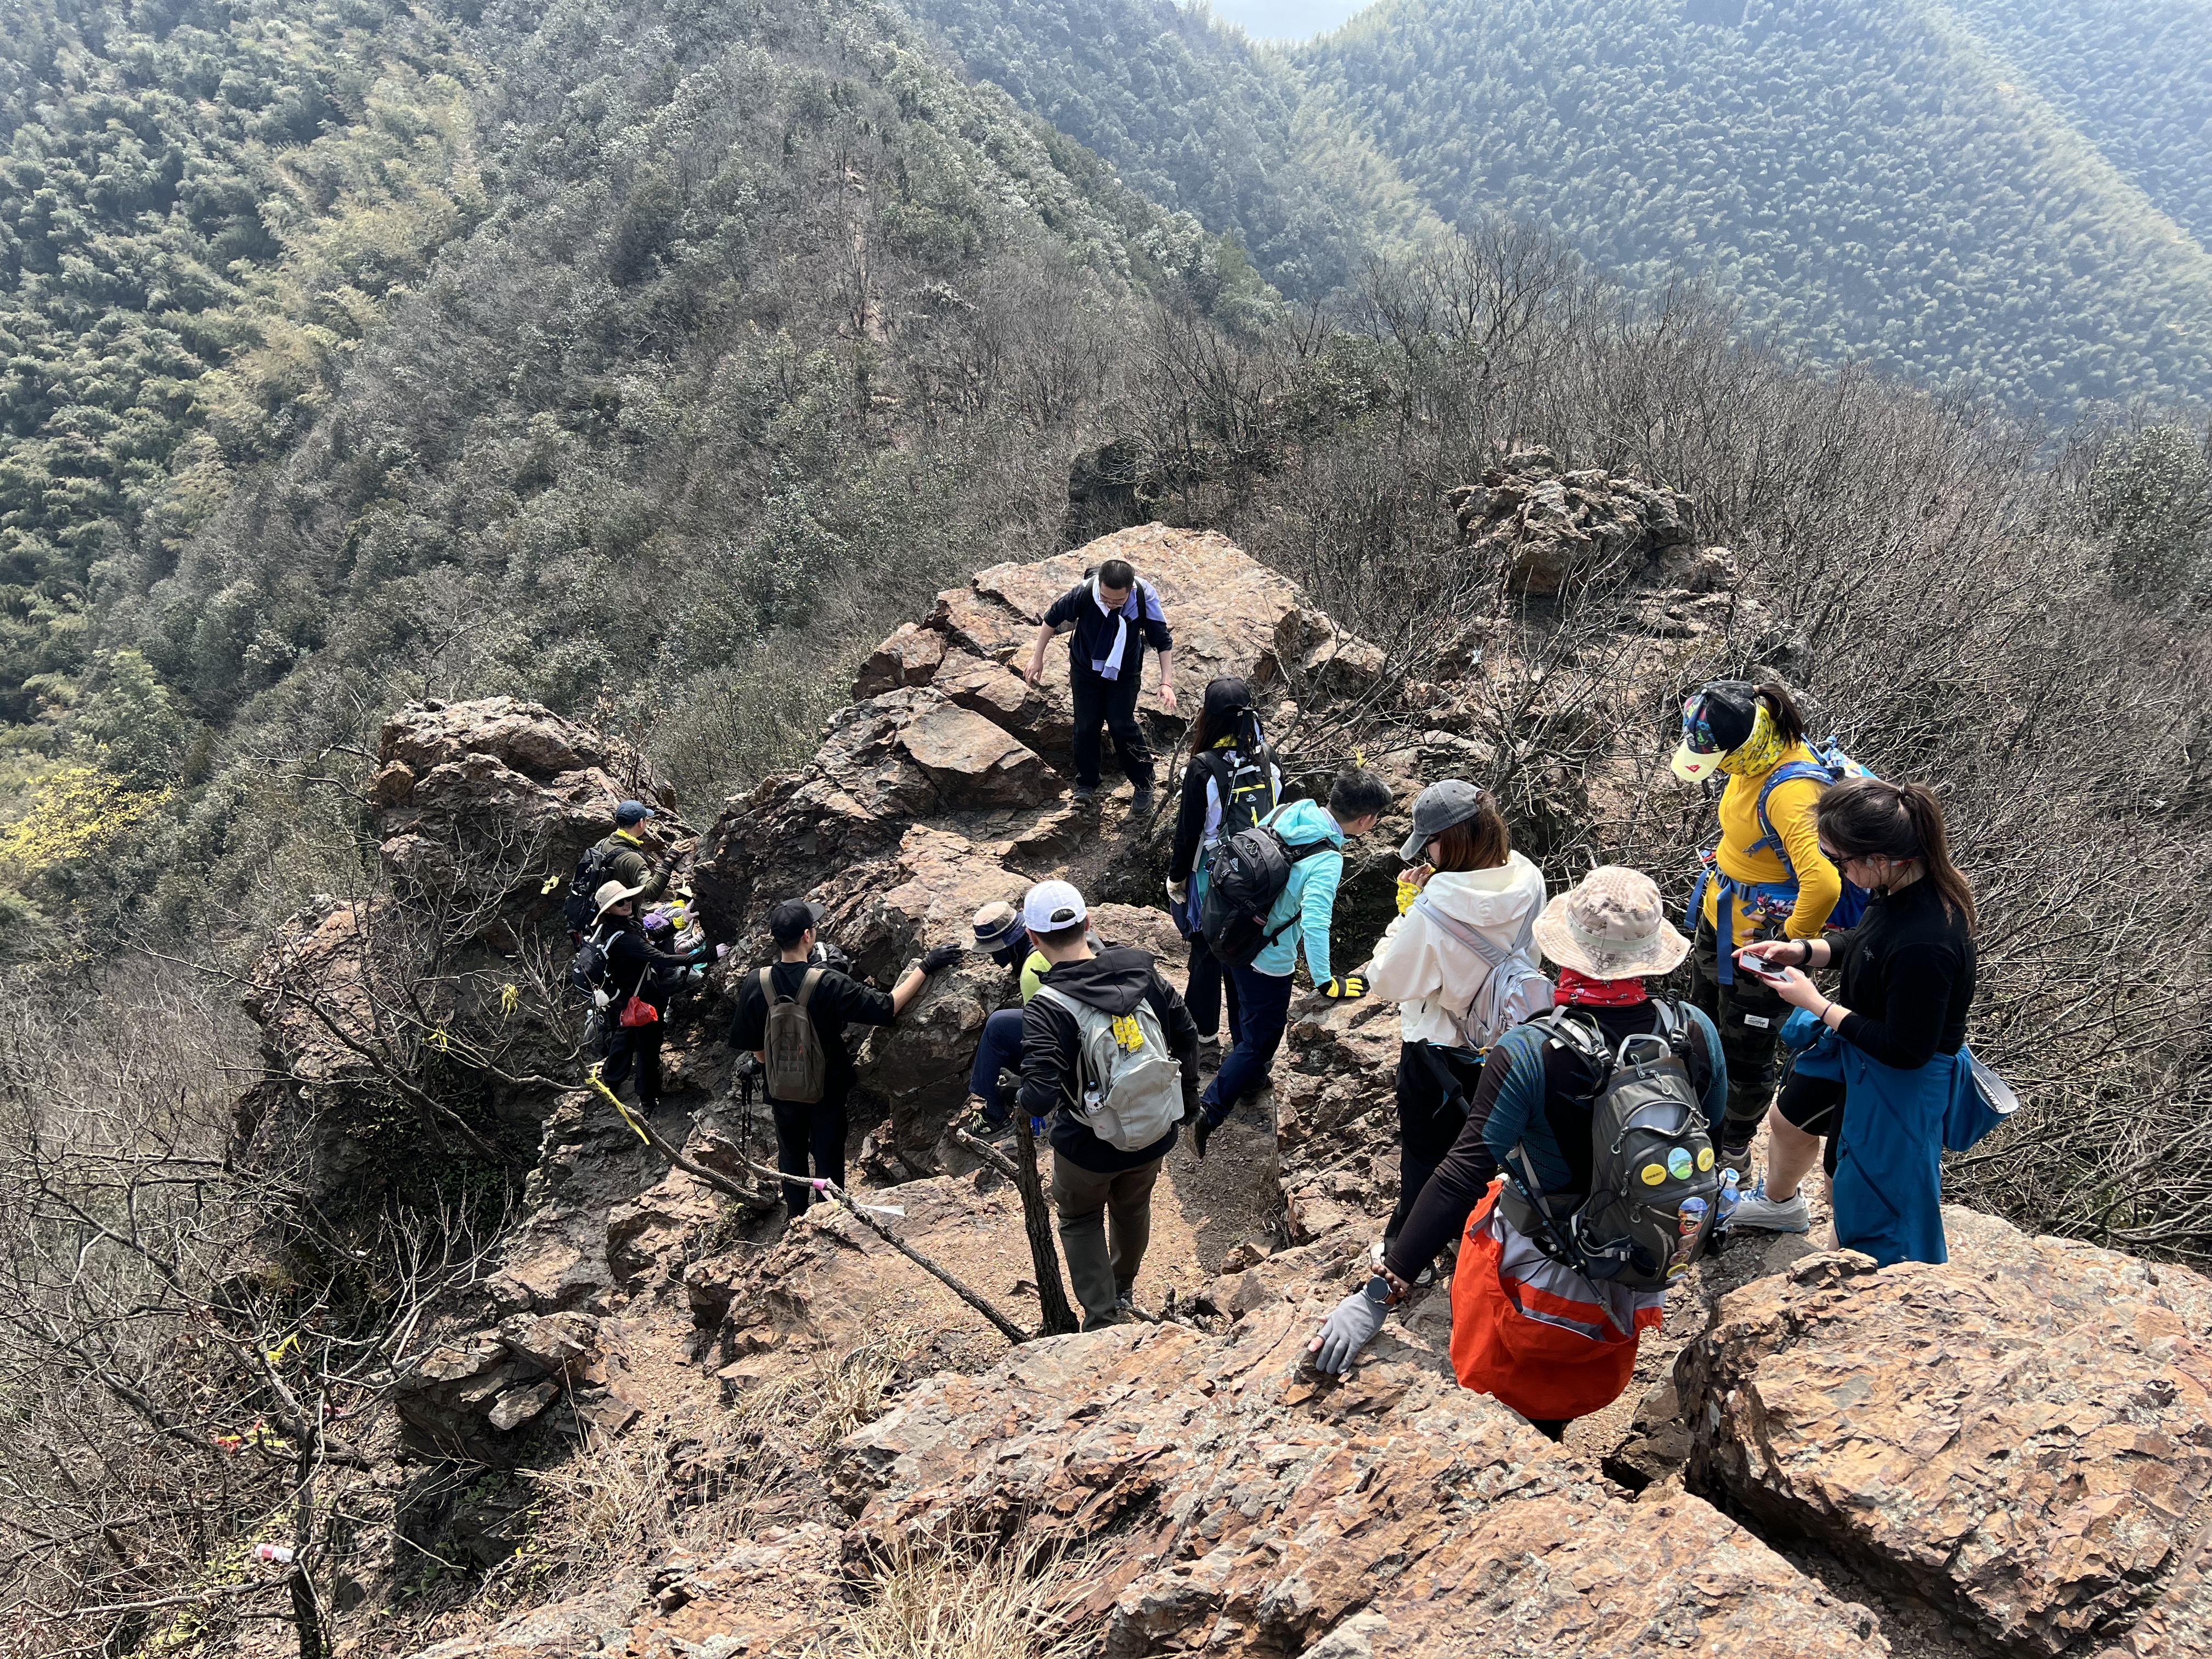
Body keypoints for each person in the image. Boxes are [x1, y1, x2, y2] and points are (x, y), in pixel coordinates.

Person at [1306, 867, 1726, 1442]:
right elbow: (1715, 1138)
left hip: (1539, 1282)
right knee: (1551, 1410)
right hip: (1637, 1266)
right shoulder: (1694, 1030)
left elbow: (1461, 1174)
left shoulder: (1532, 1048)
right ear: (1650, 956)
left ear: (1568, 952)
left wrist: (1379, 1295)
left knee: (1510, 1391)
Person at [1734, 778, 1977, 1266]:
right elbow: (1865, 944)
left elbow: (1908, 1050)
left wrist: (1815, 1003)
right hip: (1858, 1044)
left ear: (1882, 856)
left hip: (1897, 1073)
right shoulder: (1897, 888)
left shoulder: (1928, 939)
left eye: (1842, 859)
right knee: (1788, 1119)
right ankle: (1781, 1207)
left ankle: (1851, 1268)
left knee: (1854, 1174)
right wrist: (1803, 950)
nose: (1837, 869)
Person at [1362, 780, 1547, 1270]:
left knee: (1426, 1155)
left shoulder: (1433, 908)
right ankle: (1478, 1232)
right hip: (1507, 1041)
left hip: (1438, 1049)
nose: (1427, 853)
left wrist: (1405, 913)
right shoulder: (1529, 878)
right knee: (1484, 1149)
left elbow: (1387, 979)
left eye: (1431, 843)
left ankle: (1408, 1251)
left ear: (1453, 841)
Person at [1014, 879, 1201, 1329]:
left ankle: (1101, 1318)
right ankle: (1124, 1286)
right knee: (1132, 1207)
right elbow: (1189, 1033)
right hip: (1156, 1128)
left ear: (1034, 940)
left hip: (1088, 1144)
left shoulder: (1047, 1005)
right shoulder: (1145, 975)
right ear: (1089, 923)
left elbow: (1039, 1096)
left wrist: (1017, 1097)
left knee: (1080, 1219)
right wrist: (1189, 1102)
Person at [1675, 679, 1844, 1174]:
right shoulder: (1758, 755)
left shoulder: (1792, 792)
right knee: (1702, 1027)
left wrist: (1787, 945)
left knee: (1746, 1051)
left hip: (1757, 945)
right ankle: (1700, 1119)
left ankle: (1733, 1148)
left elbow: (1825, 884)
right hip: (1721, 921)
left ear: (1743, 747)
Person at [1191, 766, 1395, 1158]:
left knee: (1243, 1010)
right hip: (1269, 956)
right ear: (1366, 820)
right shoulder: (1327, 859)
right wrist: (1326, 981)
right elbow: (1316, 923)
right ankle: (1210, 1109)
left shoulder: (1292, 809)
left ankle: (1250, 1082)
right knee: (1262, 1039)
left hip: (1230, 933)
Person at [731, 899, 960, 1214]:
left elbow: (754, 1045)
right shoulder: (827, 981)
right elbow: (887, 1007)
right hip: (827, 1086)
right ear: (808, 936)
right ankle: (830, 1214)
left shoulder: (757, 981)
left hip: (780, 1087)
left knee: (791, 1152)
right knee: (828, 1151)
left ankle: (796, 1217)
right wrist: (926, 965)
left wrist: (776, 1066)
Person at [1165, 676, 1280, 1052]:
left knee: (1207, 951)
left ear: (1208, 718)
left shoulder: (1203, 768)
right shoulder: (1269, 759)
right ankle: (1246, 1043)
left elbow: (1189, 833)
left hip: (1217, 875)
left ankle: (1204, 1035)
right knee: (1246, 952)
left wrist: (1177, 878)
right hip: (1266, 869)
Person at [1022, 556, 1178, 811]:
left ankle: (1144, 783)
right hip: (1086, 668)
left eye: (1119, 600)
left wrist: (1166, 682)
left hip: (1125, 671)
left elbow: (1162, 640)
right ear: (1100, 585)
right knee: (1086, 725)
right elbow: (1052, 618)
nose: (1112, 604)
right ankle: (1087, 784)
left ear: (1130, 590)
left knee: (1121, 725)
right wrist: (1037, 657)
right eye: (1106, 598)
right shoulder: (1085, 593)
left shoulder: (1143, 597)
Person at [592, 878, 715, 1118]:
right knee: (649, 1046)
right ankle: (648, 1099)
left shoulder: (614, 928)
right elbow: (663, 958)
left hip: (621, 997)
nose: (627, 903)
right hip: (643, 999)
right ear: (609, 910)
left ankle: (611, 1081)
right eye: (620, 903)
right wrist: (711, 955)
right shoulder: (627, 938)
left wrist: (681, 921)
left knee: (624, 1035)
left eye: (627, 898)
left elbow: (651, 934)